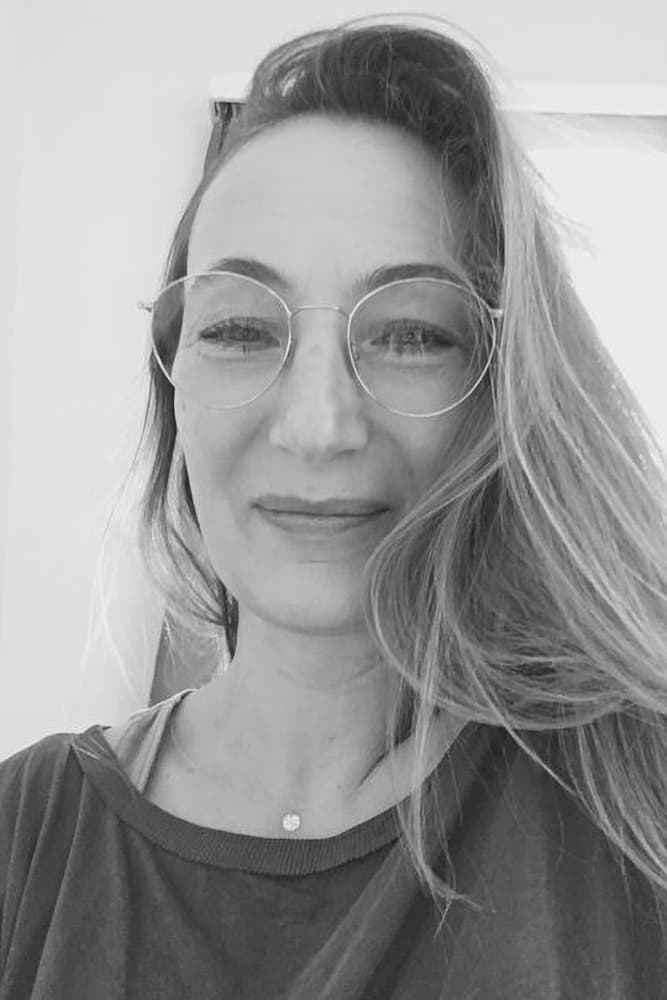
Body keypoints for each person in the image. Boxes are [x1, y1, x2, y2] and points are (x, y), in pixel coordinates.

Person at [2, 12, 667, 999]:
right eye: (239, 327)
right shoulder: (23, 832)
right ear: (172, 384)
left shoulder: (636, 806)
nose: (316, 426)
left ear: (502, 390)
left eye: (411, 334)